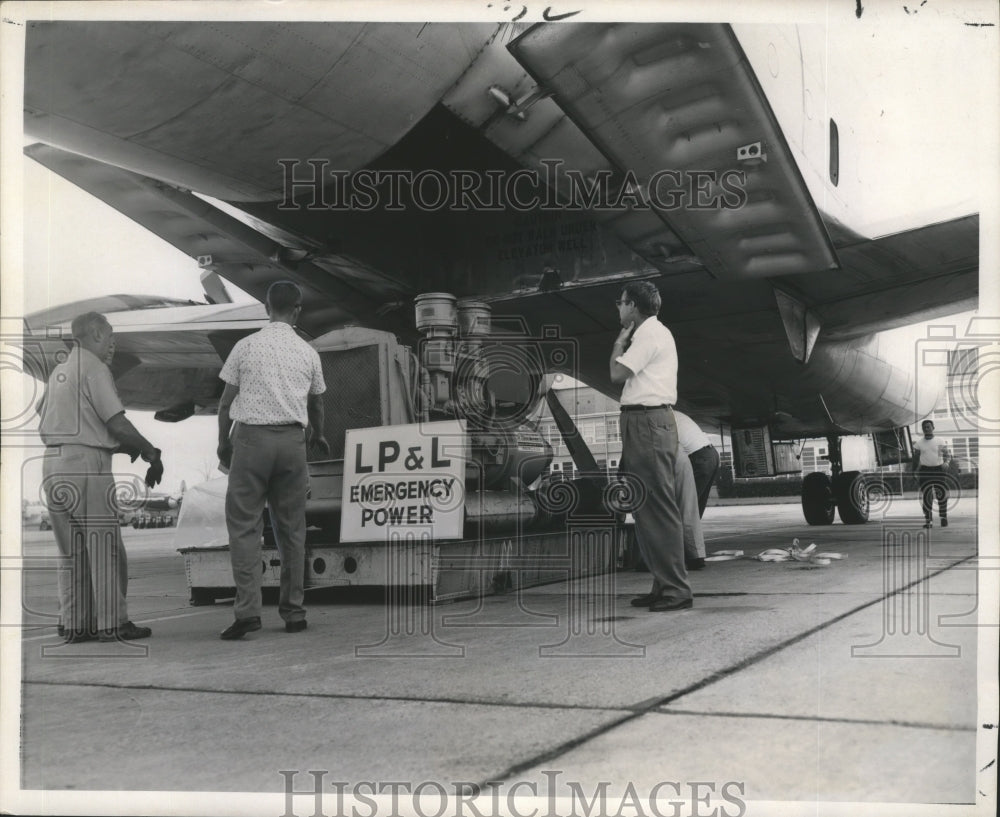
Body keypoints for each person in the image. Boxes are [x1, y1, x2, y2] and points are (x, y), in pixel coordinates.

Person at [37, 312, 163, 643]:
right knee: (104, 546)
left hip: (52, 462)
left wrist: (110, 446)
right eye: (110, 338)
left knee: (71, 552)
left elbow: (58, 416)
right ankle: (113, 623)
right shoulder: (94, 368)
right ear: (94, 335)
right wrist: (150, 451)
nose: (113, 345)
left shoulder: (60, 371)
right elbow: (116, 422)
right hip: (85, 467)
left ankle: (74, 624)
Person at [217, 281, 329, 640]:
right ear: (297, 310)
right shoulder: (308, 352)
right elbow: (317, 403)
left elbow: (224, 402)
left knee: (245, 526)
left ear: (267, 308)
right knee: (292, 531)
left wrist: (223, 441)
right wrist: (318, 434)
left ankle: (248, 612)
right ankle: (294, 613)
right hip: (292, 443)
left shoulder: (245, 346)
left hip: (251, 441)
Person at [610, 281, 692, 612]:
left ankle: (676, 589)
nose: (619, 307)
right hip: (641, 421)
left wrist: (619, 341)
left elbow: (616, 373)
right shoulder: (651, 334)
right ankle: (663, 584)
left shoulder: (648, 335)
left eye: (621, 302)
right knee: (645, 507)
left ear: (633, 306)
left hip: (647, 421)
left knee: (657, 506)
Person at [673, 410, 721, 519]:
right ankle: (693, 533)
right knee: (696, 507)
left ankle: (680, 534)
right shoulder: (675, 415)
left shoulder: (663, 418)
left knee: (684, 507)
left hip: (700, 457)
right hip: (711, 453)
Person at [911, 419, 949, 528]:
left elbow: (947, 454)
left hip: (938, 470)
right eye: (924, 427)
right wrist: (914, 472)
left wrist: (946, 462)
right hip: (925, 471)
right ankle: (929, 521)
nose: (926, 429)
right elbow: (915, 459)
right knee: (927, 496)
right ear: (922, 429)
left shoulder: (939, 441)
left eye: (928, 427)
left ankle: (943, 517)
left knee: (941, 494)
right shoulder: (919, 443)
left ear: (933, 428)